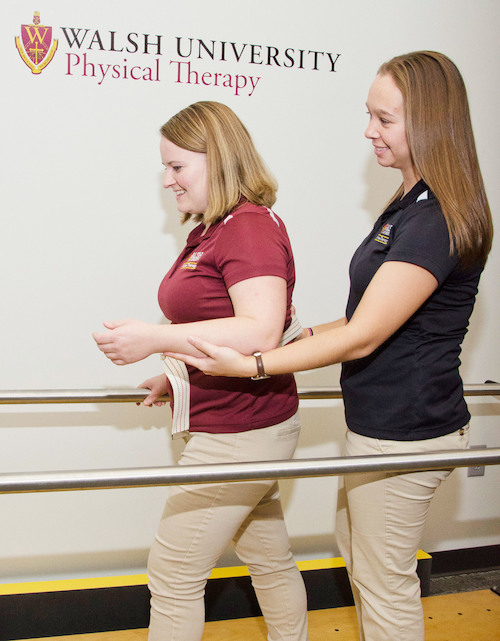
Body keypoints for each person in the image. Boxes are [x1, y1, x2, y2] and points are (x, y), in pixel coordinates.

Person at [165, 52, 494, 641]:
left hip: (408, 429)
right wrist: (304, 335)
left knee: (384, 582)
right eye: (370, 115)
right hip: (381, 423)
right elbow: (369, 315)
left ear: (430, 122)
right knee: (364, 563)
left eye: (384, 119)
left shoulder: (435, 218)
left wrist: (257, 362)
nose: (369, 130)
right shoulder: (407, 206)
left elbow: (367, 334)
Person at [93, 101, 309, 641]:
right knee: (269, 557)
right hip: (243, 422)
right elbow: (218, 320)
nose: (168, 181)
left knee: (173, 574)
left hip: (240, 433)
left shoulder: (248, 227)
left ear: (218, 159)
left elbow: (259, 330)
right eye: (165, 168)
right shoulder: (215, 228)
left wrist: (154, 339)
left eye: (177, 167)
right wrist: (177, 372)